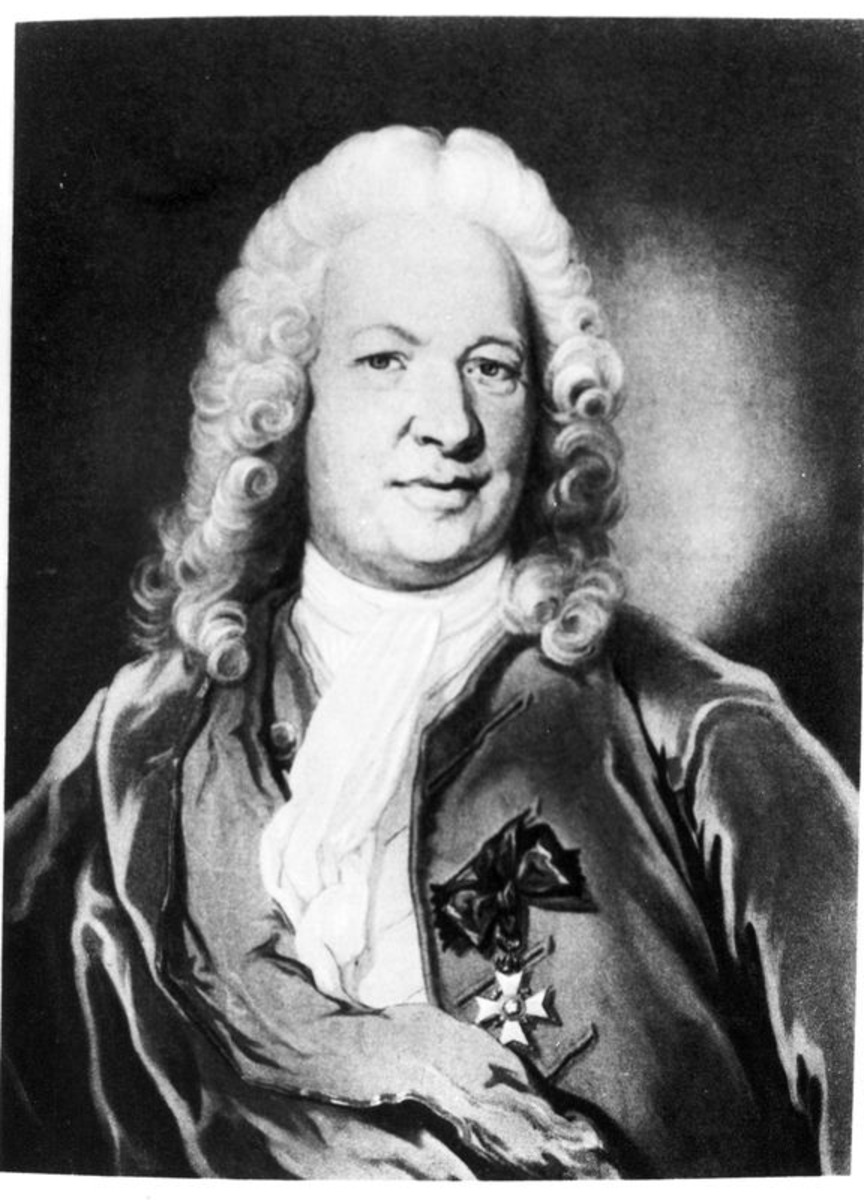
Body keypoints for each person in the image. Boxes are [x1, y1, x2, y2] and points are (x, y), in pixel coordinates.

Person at [2, 126, 856, 1180]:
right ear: (290, 402)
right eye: (385, 360)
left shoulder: (694, 730)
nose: (448, 424)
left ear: (547, 412)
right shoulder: (136, 754)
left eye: (491, 368)